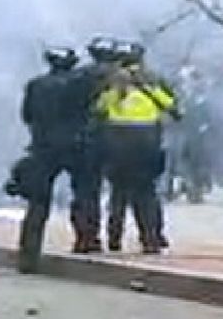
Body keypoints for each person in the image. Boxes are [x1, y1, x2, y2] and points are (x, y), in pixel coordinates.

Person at [14, 45, 103, 267]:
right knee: (85, 194)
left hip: (43, 146)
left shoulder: (35, 85)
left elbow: (27, 116)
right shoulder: (84, 84)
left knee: (38, 201)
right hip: (78, 145)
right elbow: (94, 110)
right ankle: (86, 239)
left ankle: (29, 253)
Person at [96, 42, 178, 253]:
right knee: (147, 193)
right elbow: (170, 105)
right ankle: (151, 238)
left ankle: (114, 238)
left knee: (118, 193)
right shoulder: (152, 80)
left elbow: (100, 107)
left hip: (118, 141)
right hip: (147, 141)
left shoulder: (112, 82)